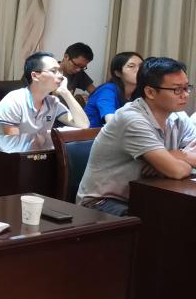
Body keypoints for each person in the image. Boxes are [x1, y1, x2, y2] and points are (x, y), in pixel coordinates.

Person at [77, 57, 196, 216]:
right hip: (102, 202)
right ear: (150, 92)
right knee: (170, 220)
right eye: (177, 90)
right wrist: (179, 158)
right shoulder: (132, 119)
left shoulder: (179, 117)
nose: (185, 95)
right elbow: (176, 171)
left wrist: (172, 156)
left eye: (187, 88)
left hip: (145, 194)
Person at [0, 51, 89, 136]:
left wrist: (65, 92)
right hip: (5, 151)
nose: (61, 76)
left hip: (36, 150)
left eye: (59, 71)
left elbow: (84, 125)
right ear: (35, 76)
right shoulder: (14, 101)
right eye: (54, 71)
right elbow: (14, 144)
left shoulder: (53, 102)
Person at [85, 52, 144, 127]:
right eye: (131, 66)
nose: (138, 70)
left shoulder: (141, 92)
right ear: (118, 73)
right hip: (92, 133)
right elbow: (111, 122)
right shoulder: (107, 90)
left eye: (141, 66)